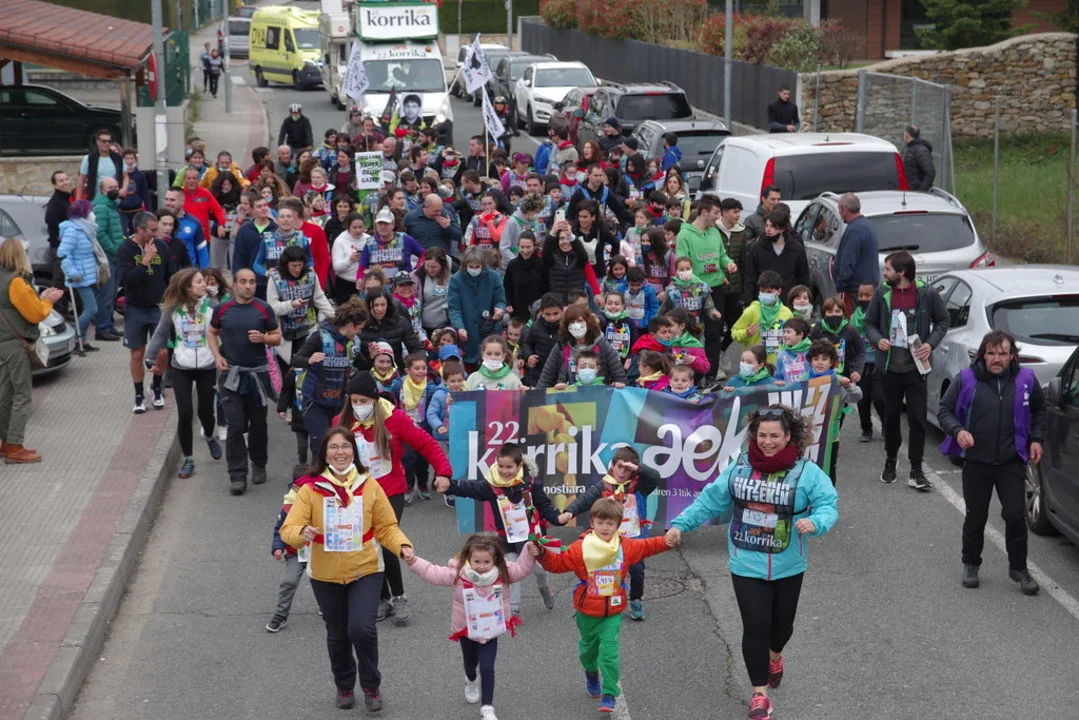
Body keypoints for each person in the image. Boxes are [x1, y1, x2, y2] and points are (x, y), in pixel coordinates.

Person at [667, 405, 838, 720]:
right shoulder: (740, 467)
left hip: (788, 564)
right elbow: (710, 499)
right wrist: (680, 524)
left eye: (775, 436)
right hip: (746, 562)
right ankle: (760, 695)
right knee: (755, 627)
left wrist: (816, 522)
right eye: (762, 435)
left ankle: (775, 656)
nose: (767, 442)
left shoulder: (807, 472)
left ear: (789, 437)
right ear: (754, 436)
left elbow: (827, 504)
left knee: (781, 628)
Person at [279, 428, 413, 712]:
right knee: (338, 634)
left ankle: (371, 685)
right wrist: (302, 532)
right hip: (325, 574)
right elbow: (288, 529)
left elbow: (387, 526)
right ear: (324, 453)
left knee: (362, 629)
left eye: (345, 446)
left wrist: (402, 546)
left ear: (354, 451)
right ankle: (344, 685)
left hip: (365, 569)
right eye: (333, 447)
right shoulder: (310, 489)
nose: (340, 452)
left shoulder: (370, 485)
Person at [529, 497, 674, 713]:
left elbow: (648, 546)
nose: (605, 528)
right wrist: (542, 554)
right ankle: (591, 673)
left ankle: (609, 694)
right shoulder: (580, 548)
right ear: (592, 523)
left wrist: (668, 540)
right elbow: (558, 564)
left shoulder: (626, 546)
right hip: (587, 610)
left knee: (609, 653)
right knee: (588, 650)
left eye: (610, 524)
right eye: (600, 523)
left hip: (612, 611)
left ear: (618, 525)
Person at [336, 373, 453, 625]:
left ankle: (399, 596)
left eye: (363, 401)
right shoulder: (341, 423)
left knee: (386, 540)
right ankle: (382, 598)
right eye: (354, 401)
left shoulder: (395, 419)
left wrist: (443, 472)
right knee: (367, 544)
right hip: (357, 492)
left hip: (390, 489)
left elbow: (426, 444)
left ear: (374, 399)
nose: (359, 406)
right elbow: (327, 458)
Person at [939, 330, 1045, 596]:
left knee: (1015, 516)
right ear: (982, 355)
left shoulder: (1026, 380)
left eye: (1002, 354)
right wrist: (958, 431)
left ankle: (1019, 568)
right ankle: (971, 563)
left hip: (1011, 462)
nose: (997, 359)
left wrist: (1036, 439)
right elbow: (945, 410)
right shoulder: (966, 379)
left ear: (1012, 356)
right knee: (976, 517)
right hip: (977, 461)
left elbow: (1039, 410)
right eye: (991, 353)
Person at [405, 532, 533, 720]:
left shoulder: (504, 572)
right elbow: (433, 573)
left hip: (490, 630)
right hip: (467, 629)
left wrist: (529, 550)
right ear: (468, 559)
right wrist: (414, 561)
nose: (481, 567)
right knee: (470, 664)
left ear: (495, 560)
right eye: (477, 561)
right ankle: (471, 680)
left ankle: (487, 708)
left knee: (487, 667)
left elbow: (522, 568)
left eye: (486, 562)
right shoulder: (459, 573)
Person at [436, 442, 561, 617]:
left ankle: (544, 587)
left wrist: (558, 518)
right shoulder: (492, 486)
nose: (504, 471)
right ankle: (513, 608)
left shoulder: (532, 485)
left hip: (531, 538)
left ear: (519, 466)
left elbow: (545, 506)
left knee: (539, 569)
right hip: (507, 538)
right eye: (501, 466)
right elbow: (470, 488)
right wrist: (450, 485)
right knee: (510, 572)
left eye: (509, 467)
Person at [863, 251, 949, 490]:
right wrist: (878, 339)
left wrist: (930, 344)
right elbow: (869, 323)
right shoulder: (882, 293)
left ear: (901, 272)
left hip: (916, 369)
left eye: (888, 269)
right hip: (889, 368)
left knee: (917, 419)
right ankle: (891, 459)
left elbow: (943, 320)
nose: (884, 273)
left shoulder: (926, 294)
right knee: (891, 418)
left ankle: (916, 469)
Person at [556, 447, 661, 620]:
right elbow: (584, 500)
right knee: (607, 569)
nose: (622, 472)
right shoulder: (604, 485)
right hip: (608, 538)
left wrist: (637, 468)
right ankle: (604, 602)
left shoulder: (640, 485)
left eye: (627, 469)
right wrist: (569, 513)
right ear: (612, 466)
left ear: (634, 471)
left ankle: (636, 599)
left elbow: (655, 477)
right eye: (619, 467)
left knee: (636, 570)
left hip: (633, 538)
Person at [208, 267, 282, 495]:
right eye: (243, 281)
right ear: (234, 285)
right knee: (236, 425)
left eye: (252, 282)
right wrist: (217, 356)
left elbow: (277, 337)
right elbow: (211, 332)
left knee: (258, 423)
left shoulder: (263, 308)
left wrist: (264, 338)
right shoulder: (223, 309)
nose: (248, 286)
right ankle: (237, 475)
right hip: (231, 375)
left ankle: (259, 464)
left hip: (257, 375)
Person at [147, 268, 224, 479]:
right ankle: (188, 459)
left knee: (206, 412)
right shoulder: (173, 308)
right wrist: (150, 357)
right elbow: (161, 333)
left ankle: (209, 436)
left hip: (207, 366)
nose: (204, 284)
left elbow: (224, 330)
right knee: (185, 413)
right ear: (188, 287)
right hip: (181, 366)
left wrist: (226, 354)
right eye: (199, 282)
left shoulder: (212, 305)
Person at [0, 238, 65, 464]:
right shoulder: (15, 282)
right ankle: (15, 446)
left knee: (5, 394)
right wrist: (47, 302)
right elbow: (35, 314)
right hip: (15, 344)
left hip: (3, 343)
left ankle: (6, 441)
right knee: (21, 395)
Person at [117, 212, 174, 412]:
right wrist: (145, 261)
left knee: (162, 352)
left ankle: (156, 387)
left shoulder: (162, 247)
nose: (156, 233)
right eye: (152, 230)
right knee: (137, 353)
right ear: (140, 230)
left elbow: (171, 275)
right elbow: (128, 281)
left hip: (158, 307)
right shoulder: (125, 249)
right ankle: (139, 395)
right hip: (135, 308)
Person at [676, 194, 737, 373]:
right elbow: (682, 266)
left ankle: (711, 373)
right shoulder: (684, 235)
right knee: (690, 333)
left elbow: (722, 256)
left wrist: (729, 264)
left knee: (714, 333)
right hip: (693, 290)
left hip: (716, 289)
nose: (718, 217)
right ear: (704, 212)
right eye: (716, 213)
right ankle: (688, 374)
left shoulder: (715, 232)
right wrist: (700, 284)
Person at [266, 245, 335, 366]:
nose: (297, 269)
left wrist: (332, 314)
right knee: (287, 366)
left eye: (300, 265)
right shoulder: (275, 278)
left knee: (306, 364)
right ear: (286, 264)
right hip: (285, 332)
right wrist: (291, 305)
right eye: (293, 266)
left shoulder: (310, 274)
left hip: (307, 328)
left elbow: (319, 297)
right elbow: (272, 307)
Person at [537, 305, 627, 388]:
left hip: (599, 396)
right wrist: (537, 397)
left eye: (580, 321)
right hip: (569, 397)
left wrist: (619, 385)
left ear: (588, 322)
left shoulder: (602, 344)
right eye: (572, 322)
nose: (576, 325)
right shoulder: (561, 346)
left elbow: (619, 376)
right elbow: (546, 378)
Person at [447, 247, 507, 369]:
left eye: (477, 266)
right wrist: (460, 327)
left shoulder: (494, 277)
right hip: (467, 332)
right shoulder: (456, 279)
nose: (474, 269)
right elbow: (454, 308)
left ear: (483, 265)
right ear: (465, 265)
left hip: (489, 329)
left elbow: (500, 300)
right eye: (471, 266)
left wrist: (499, 310)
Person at [58, 200, 104, 352]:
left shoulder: (86, 229)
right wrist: (72, 272)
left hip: (87, 275)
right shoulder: (73, 230)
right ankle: (76, 337)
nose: (92, 214)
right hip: (79, 277)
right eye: (90, 211)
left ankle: (82, 341)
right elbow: (63, 253)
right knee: (92, 309)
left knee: (87, 309)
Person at [742, 211, 809, 305]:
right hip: (762, 302)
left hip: (788, 301)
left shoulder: (796, 249)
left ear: (782, 229)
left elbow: (803, 277)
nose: (768, 229)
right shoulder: (757, 248)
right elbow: (750, 277)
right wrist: (748, 301)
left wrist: (803, 300)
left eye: (773, 226)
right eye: (766, 226)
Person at [731, 271, 793, 365]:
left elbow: (792, 339)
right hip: (753, 363)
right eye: (762, 291)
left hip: (777, 364)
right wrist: (746, 333)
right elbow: (734, 332)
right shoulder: (752, 310)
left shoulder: (786, 313)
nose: (765, 294)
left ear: (779, 292)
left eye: (769, 292)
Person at [850, 282, 885, 442]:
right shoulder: (853, 318)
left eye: (867, 295)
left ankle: (886, 425)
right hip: (861, 365)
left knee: (880, 397)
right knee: (862, 399)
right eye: (861, 295)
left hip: (879, 363)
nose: (864, 298)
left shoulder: (881, 316)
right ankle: (866, 429)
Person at [833, 193, 880, 312]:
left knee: (855, 320)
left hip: (856, 290)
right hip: (867, 287)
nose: (839, 212)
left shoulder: (854, 230)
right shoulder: (867, 225)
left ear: (844, 210)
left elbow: (848, 261)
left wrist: (840, 288)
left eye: (839, 209)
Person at [164, 187, 211, 269]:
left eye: (172, 200)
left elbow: (202, 250)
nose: (168, 203)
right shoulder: (158, 221)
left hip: (187, 273)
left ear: (182, 202)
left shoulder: (194, 223)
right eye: (166, 199)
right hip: (165, 273)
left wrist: (205, 272)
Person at [78, 129, 123, 201]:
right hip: (96, 199)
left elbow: (125, 176)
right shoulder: (89, 159)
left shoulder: (118, 158)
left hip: (115, 200)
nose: (107, 143)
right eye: (104, 141)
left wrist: (124, 189)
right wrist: (78, 201)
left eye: (109, 141)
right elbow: (81, 180)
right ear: (97, 142)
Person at [903, 125, 936, 192]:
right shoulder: (911, 148)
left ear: (907, 135)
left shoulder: (921, 150)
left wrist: (922, 191)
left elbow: (930, 172)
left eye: (904, 134)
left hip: (917, 192)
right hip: (911, 191)